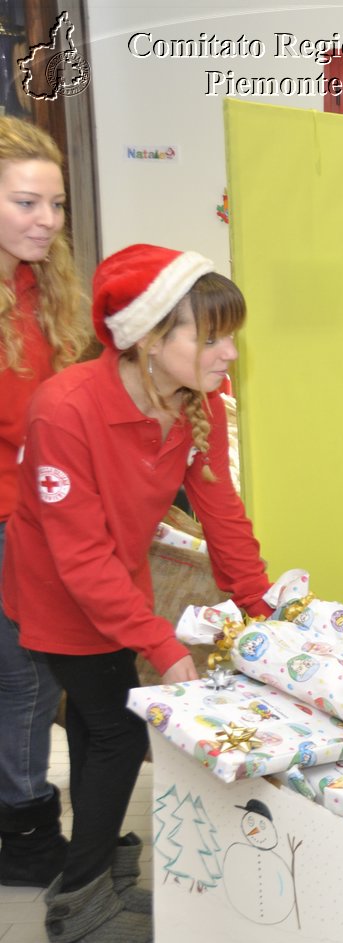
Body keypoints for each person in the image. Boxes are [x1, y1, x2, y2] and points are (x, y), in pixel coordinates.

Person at [1, 244, 272, 943]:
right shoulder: (65, 410)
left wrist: (266, 609)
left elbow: (223, 516)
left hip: (114, 586)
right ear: (151, 339)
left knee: (97, 730)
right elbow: (78, 557)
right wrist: (163, 644)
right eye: (210, 336)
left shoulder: (195, 402)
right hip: (58, 596)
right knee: (121, 733)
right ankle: (78, 916)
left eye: (230, 333)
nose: (228, 353)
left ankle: (103, 877)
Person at [0, 117, 89, 889]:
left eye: (56, 205)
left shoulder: (46, 286)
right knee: (27, 679)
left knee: (31, 679)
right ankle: (27, 833)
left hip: (37, 511)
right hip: (8, 517)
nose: (47, 221)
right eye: (27, 203)